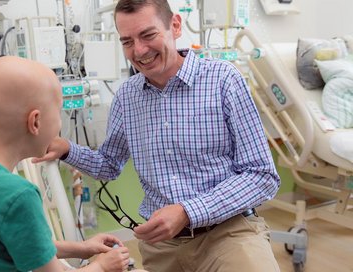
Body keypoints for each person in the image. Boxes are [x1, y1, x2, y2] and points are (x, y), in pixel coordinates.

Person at [32, 0, 282, 271]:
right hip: (163, 246)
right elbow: (108, 164)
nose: (139, 51)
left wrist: (187, 212)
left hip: (229, 232)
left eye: (148, 35)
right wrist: (67, 148)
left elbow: (261, 176)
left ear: (175, 26)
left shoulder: (223, 80)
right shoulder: (127, 98)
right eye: (127, 41)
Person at [0, 56, 132, 272]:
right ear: (35, 122)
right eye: (58, 113)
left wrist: (81, 248)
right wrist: (103, 266)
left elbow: (24, 244)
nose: (59, 123)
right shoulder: (17, 195)